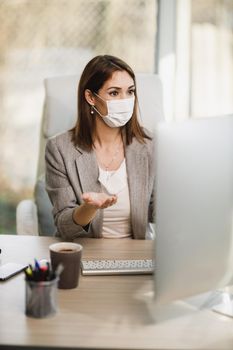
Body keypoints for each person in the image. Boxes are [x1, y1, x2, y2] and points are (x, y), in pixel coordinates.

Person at [45, 55, 155, 240]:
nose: (125, 100)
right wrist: (89, 208)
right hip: (84, 256)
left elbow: (159, 211)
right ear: (90, 97)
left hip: (137, 256)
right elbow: (64, 227)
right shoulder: (59, 149)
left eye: (130, 91)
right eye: (114, 93)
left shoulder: (150, 145)